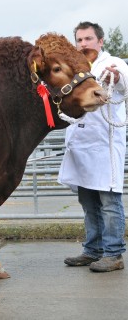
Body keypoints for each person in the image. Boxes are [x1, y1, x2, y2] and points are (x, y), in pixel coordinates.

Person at [58, 21, 128, 272]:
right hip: (81, 146)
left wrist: (117, 77)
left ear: (100, 41)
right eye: (79, 40)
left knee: (109, 202)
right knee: (88, 203)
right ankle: (93, 250)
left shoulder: (113, 63)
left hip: (103, 145)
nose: (83, 44)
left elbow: (122, 82)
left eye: (88, 39)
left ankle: (113, 254)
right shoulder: (76, 67)